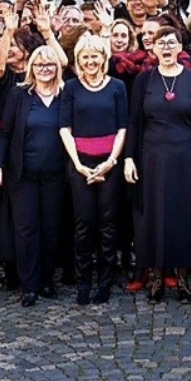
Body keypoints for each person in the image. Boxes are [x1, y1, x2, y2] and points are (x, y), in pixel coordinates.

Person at [125, 25, 191, 303]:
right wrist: (129, 158)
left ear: (180, 47)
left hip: (185, 156)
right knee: (153, 217)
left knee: (183, 216)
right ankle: (156, 279)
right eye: (161, 43)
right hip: (151, 157)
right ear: (153, 48)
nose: (166, 48)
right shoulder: (144, 80)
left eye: (171, 43)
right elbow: (134, 122)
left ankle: (183, 279)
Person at [0, 44, 69, 307]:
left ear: (57, 68)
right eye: (39, 64)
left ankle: (47, 279)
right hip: (22, 174)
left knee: (50, 228)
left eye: (49, 64)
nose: (44, 69)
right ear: (31, 68)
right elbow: (4, 133)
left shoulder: (65, 95)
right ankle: (29, 285)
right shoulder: (19, 94)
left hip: (56, 174)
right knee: (26, 230)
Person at [59, 33, 129, 305]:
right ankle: (84, 281)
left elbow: (122, 127)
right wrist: (77, 164)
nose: (90, 61)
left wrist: (111, 161)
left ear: (103, 58)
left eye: (95, 56)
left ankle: (106, 281)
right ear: (79, 59)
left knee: (108, 226)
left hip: (109, 163)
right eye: (85, 57)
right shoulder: (71, 88)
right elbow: (64, 128)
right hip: (81, 164)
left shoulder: (117, 87)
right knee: (84, 224)